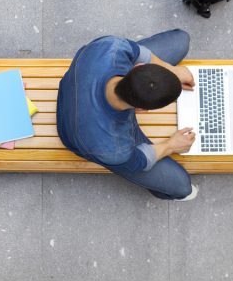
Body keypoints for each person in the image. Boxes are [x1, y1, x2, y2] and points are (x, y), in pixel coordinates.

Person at [56, 29, 199, 201]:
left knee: (181, 40)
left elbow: (138, 52)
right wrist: (171, 145)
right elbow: (137, 161)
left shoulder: (111, 47)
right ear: (140, 111)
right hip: (78, 135)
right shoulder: (113, 147)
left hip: (79, 82)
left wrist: (172, 71)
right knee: (182, 188)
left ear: (137, 67)